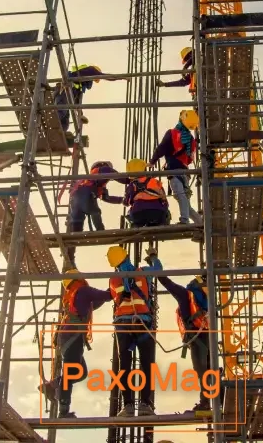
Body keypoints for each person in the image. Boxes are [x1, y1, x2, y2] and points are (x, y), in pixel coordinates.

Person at [41, 267, 113, 419]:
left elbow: (96, 303)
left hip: (69, 337)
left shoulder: (72, 295)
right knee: (70, 373)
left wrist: (110, 294)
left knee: (80, 372)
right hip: (72, 336)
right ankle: (63, 411)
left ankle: (52, 385)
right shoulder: (83, 291)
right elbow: (105, 296)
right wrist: (116, 285)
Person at [146, 255, 213, 413]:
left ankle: (206, 403)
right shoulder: (207, 298)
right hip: (208, 335)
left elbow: (167, 282)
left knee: (201, 369)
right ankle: (210, 402)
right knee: (210, 369)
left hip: (196, 337)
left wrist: (156, 263)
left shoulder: (185, 295)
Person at [106, 245, 158, 417]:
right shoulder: (142, 272)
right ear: (127, 256)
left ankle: (127, 406)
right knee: (147, 364)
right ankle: (145, 405)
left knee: (125, 365)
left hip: (123, 326)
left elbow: (113, 297)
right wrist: (152, 256)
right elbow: (159, 270)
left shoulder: (113, 280)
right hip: (142, 323)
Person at [149, 110, 202, 225]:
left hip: (174, 170)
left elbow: (161, 148)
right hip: (185, 173)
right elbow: (190, 159)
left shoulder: (172, 133)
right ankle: (200, 222)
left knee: (180, 195)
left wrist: (152, 161)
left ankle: (184, 220)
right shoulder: (191, 140)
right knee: (184, 201)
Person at [66, 161, 124, 263]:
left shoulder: (92, 181)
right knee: (95, 211)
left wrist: (121, 200)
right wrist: (130, 180)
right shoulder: (102, 170)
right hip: (85, 194)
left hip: (75, 200)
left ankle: (70, 256)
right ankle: (100, 230)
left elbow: (106, 198)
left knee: (76, 226)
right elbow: (114, 174)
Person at [54, 63, 113, 133]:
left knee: (65, 123)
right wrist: (122, 78)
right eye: (94, 79)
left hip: (66, 97)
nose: (92, 81)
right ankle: (52, 124)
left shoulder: (80, 86)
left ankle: (57, 134)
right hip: (63, 92)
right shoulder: (90, 70)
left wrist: (80, 115)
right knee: (60, 113)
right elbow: (105, 76)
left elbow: (76, 101)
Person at [123, 159, 170, 227]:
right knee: (165, 214)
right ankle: (162, 225)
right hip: (158, 213)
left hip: (139, 214)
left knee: (129, 214)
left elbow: (126, 203)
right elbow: (165, 201)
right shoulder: (155, 181)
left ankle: (136, 229)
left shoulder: (131, 185)